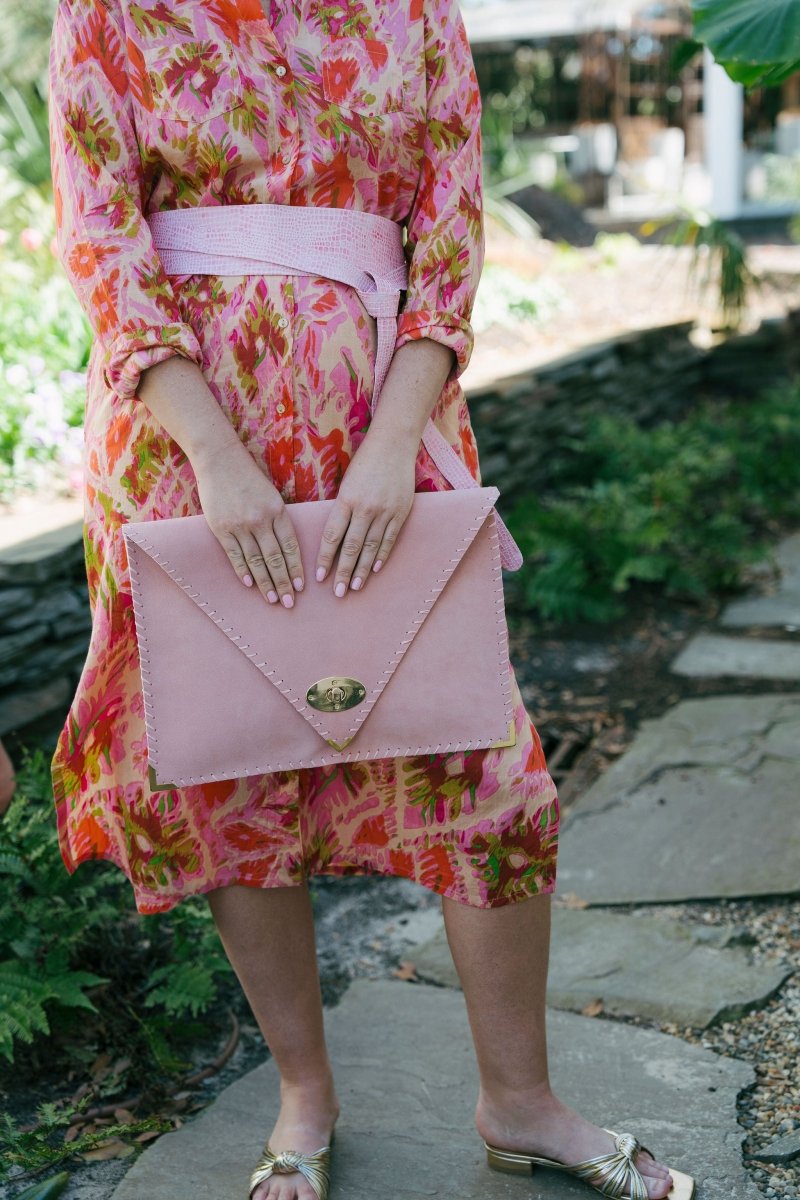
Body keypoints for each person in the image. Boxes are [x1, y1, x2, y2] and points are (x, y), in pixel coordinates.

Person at [47, 2, 692, 1199]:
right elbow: (101, 235)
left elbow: (447, 224)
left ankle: (520, 1102)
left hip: (385, 428)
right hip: (184, 446)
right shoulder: (112, 11)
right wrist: (215, 457)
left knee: (487, 769)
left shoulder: (414, 10)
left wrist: (397, 438)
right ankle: (303, 1098)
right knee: (234, 766)